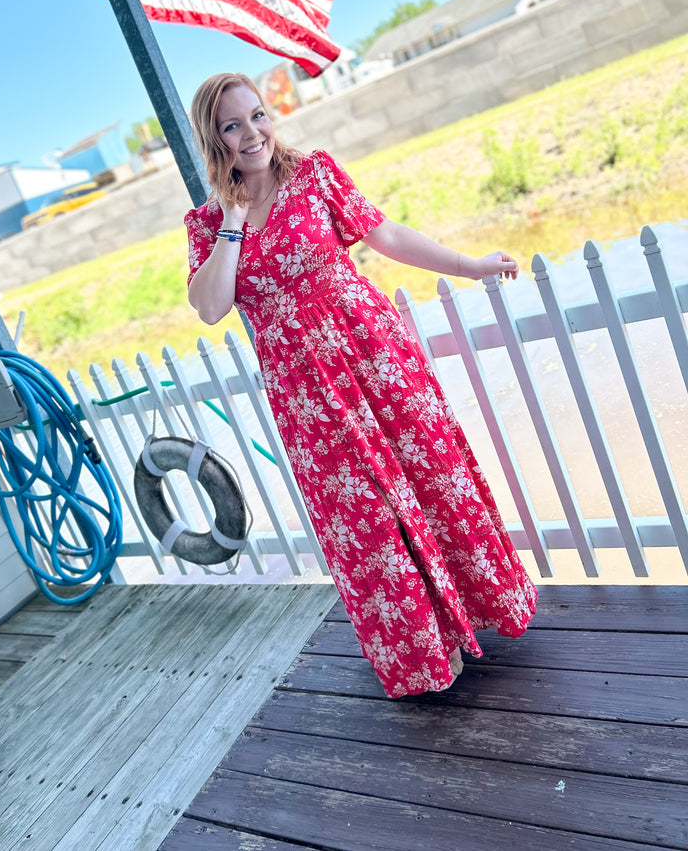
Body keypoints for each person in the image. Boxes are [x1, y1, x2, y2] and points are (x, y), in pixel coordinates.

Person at [184, 72, 537, 698]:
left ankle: (483, 608)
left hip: (373, 355)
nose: (251, 133)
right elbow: (210, 306)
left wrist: (468, 264)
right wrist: (234, 220)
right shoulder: (209, 225)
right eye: (231, 125)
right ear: (214, 139)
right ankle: (425, 652)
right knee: (365, 521)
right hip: (304, 391)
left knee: (432, 476)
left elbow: (386, 235)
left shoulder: (314, 174)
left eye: (257, 116)